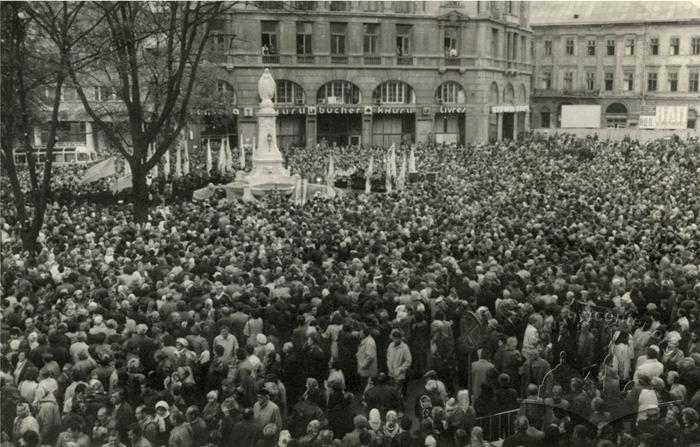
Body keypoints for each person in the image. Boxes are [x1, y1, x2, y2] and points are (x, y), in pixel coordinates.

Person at [387, 329, 412, 397]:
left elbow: (408, 361)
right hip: (391, 373)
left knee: (397, 392)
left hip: (399, 374)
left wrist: (400, 369)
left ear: (400, 338)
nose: (395, 340)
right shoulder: (390, 345)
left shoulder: (405, 347)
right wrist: (389, 368)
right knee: (391, 391)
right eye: (394, 339)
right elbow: (388, 357)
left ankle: (398, 405)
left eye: (397, 339)